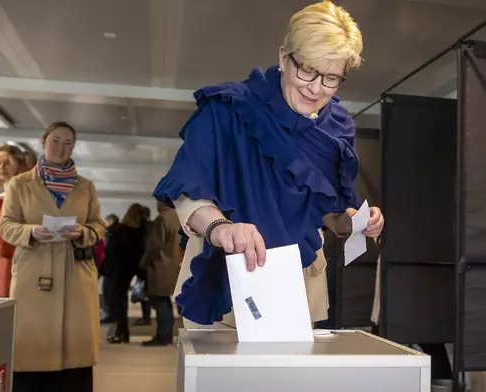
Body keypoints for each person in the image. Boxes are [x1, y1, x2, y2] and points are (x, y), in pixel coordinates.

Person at [153, 0, 384, 327]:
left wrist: (355, 221)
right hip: (231, 276)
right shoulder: (229, 109)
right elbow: (189, 190)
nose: (316, 89)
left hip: (300, 282)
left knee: (292, 378)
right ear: (283, 57)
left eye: (331, 78)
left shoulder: (338, 129)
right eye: (307, 70)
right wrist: (222, 228)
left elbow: (329, 212)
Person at [0, 121, 105, 392]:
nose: (62, 147)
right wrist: (30, 231)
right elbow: (6, 226)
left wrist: (84, 232)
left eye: (68, 142)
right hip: (34, 274)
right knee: (32, 349)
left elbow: (98, 226)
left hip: (76, 277)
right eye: (56, 141)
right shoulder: (19, 185)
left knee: (75, 352)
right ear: (43, 142)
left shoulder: (86, 186)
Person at [0, 143, 37, 297]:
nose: (1, 168)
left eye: (7, 163)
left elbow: (18, 222)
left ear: (17, 164)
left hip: (13, 253)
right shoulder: (2, 193)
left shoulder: (24, 192)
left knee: (10, 296)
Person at [139, 201, 181, 346]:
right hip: (174, 264)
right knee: (165, 302)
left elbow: (154, 245)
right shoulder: (179, 218)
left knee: (160, 301)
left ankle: (163, 335)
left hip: (160, 265)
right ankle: (167, 334)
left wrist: (143, 263)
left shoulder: (162, 218)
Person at [104, 203, 146, 344]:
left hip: (118, 269)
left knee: (118, 302)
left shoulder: (120, 230)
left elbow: (110, 249)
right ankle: (122, 332)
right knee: (122, 301)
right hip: (132, 268)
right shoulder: (141, 232)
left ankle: (122, 332)